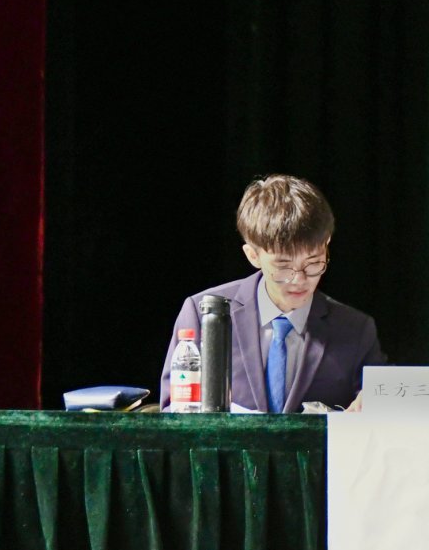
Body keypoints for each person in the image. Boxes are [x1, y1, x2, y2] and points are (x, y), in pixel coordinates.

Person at [158, 174, 385, 412]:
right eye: (283, 267)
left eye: (313, 263)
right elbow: (173, 412)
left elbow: (380, 406)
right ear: (253, 255)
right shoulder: (202, 313)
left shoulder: (355, 329)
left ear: (326, 245)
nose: (299, 280)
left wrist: (371, 405)